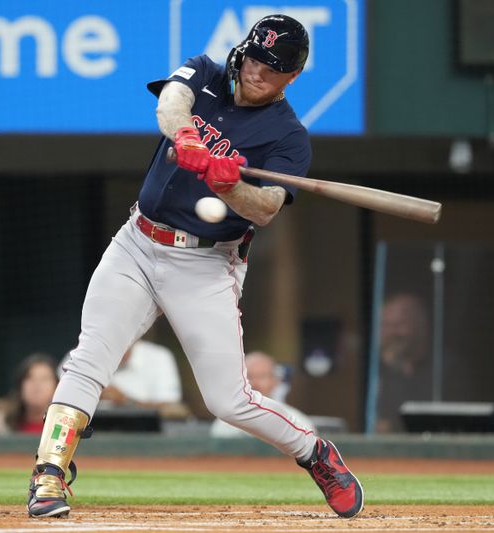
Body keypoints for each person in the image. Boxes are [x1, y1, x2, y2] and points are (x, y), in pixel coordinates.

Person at [25, 15, 363, 520]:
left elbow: (267, 207)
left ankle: (314, 453)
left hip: (206, 263)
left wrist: (230, 186)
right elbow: (170, 104)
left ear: (291, 77)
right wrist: (187, 139)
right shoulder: (205, 72)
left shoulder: (289, 137)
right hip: (137, 243)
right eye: (253, 58)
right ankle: (48, 474)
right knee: (89, 357)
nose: (255, 72)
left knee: (228, 401)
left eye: (271, 69)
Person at [211, 351, 314, 438]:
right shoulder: (226, 421)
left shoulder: (298, 421)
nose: (254, 383)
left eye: (261, 376)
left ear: (275, 380)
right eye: (249, 376)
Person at [374, 294, 432, 433]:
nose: (393, 333)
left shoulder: (445, 369)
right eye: (386, 325)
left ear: (420, 327)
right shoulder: (374, 371)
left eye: (399, 325)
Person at [0, 353, 59, 435]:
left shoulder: (64, 426)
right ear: (20, 386)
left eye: (44, 379)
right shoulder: (0, 424)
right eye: (29, 378)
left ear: (56, 386)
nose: (37, 385)